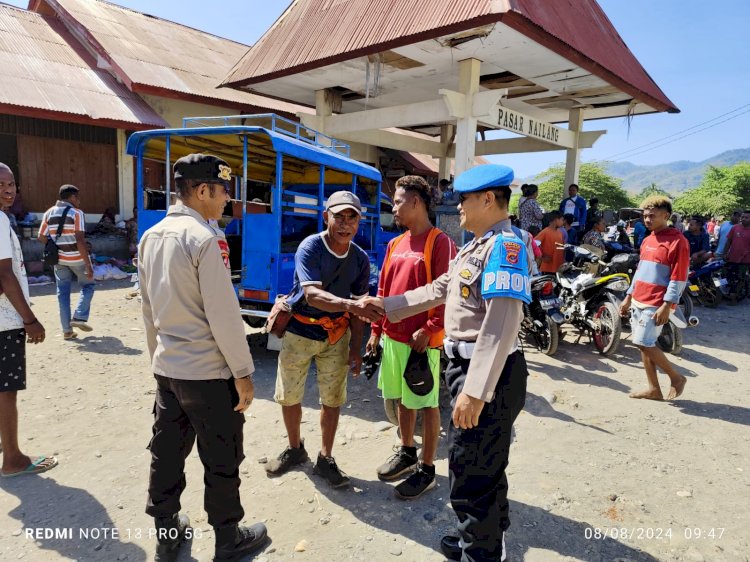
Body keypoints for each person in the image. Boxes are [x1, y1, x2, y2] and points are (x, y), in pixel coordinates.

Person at [364, 163, 533, 562]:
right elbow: (440, 289)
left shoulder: (505, 247)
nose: (458, 207)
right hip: (466, 368)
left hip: (487, 374)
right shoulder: (476, 245)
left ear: (488, 199)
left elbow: (502, 322)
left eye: (465, 200)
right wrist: (387, 305)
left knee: (472, 472)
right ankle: (482, 536)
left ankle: (483, 552)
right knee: (481, 465)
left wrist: (475, 392)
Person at [138, 154, 267, 562]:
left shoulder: (151, 236)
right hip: (209, 374)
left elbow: (147, 308)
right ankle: (229, 540)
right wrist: (244, 373)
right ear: (202, 191)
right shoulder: (206, 238)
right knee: (222, 455)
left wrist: (157, 357)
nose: (228, 198)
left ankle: (167, 531)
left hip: (169, 369)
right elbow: (225, 315)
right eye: (224, 189)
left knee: (167, 453)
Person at [264, 191, 383, 488]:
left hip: (336, 336)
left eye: (351, 218)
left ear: (359, 222)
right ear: (325, 216)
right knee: (289, 396)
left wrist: (356, 348)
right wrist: (351, 305)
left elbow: (358, 308)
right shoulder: (311, 247)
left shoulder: (359, 259)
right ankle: (295, 448)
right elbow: (313, 295)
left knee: (333, 400)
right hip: (299, 331)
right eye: (338, 216)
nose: (345, 224)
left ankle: (325, 457)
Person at [366, 176, 456, 500]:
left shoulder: (439, 242)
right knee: (402, 399)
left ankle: (427, 470)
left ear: (416, 202)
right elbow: (383, 290)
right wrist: (376, 331)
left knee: (427, 403)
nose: (394, 208)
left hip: (422, 341)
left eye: (398, 201)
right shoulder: (394, 244)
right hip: (393, 337)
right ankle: (406, 451)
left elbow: (446, 292)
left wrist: (431, 327)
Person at [0, 163, 57, 478]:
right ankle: (13, 459)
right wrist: (29, 319)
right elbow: (5, 274)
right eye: (1, 184)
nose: (8, 189)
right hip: (5, 320)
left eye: (11, 183)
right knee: (6, 390)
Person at [620, 196, 689, 402]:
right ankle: (653, 389)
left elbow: (679, 277)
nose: (647, 219)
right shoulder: (648, 239)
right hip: (639, 298)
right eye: (645, 215)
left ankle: (676, 377)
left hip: (657, 302)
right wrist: (628, 297)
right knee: (644, 344)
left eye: (652, 215)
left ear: (666, 216)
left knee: (642, 342)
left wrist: (667, 305)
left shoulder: (678, 241)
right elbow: (640, 271)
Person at [38, 185, 95, 340]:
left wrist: (57, 244)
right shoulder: (77, 213)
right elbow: (80, 240)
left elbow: (41, 237)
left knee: (62, 293)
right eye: (78, 198)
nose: (79, 201)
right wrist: (88, 265)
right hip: (77, 258)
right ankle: (79, 316)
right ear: (72, 197)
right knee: (88, 285)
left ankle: (67, 331)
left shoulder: (48, 213)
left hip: (59, 260)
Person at [723, 210, 750, 298]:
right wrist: (725, 253)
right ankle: (730, 294)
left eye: (746, 217)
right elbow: (728, 241)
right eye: (742, 217)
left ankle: (736, 296)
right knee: (729, 276)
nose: (743, 219)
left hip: (746, 260)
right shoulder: (735, 227)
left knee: (740, 278)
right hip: (732, 258)